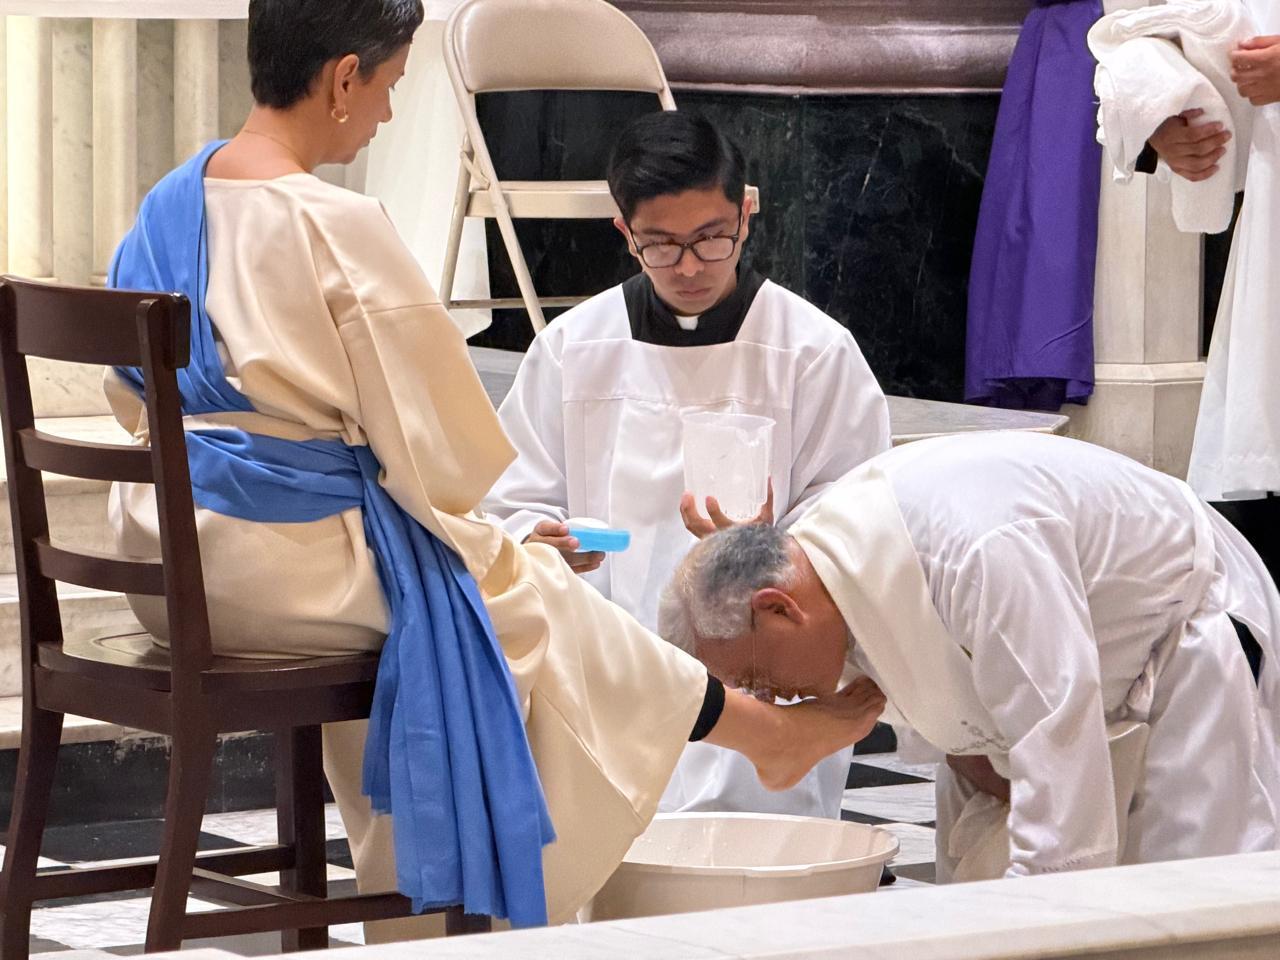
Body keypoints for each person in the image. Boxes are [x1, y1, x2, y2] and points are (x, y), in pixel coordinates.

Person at [103, 0, 887, 941]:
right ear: (345, 78)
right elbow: (447, 457)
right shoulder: (335, 223)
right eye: (390, 86)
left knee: (497, 589)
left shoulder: (167, 202)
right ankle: (461, 910)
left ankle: (739, 747)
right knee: (521, 607)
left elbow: (130, 398)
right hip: (276, 573)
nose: (388, 113)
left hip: (167, 560)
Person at [483, 110, 891, 819]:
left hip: (759, 663)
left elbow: (865, 514)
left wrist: (774, 546)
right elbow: (509, 498)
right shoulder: (575, 347)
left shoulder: (811, 351)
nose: (692, 266)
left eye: (712, 237)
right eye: (662, 245)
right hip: (612, 662)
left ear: (747, 213)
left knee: (753, 846)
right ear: (625, 233)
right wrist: (537, 537)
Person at [661, 431, 1280, 881]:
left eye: (755, 676)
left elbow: (1057, 745)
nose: (767, 696)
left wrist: (1029, 918)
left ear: (777, 608)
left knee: (1188, 896)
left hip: (1188, 645)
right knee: (977, 880)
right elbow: (954, 706)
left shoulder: (977, 552)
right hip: (1071, 692)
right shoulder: (825, 569)